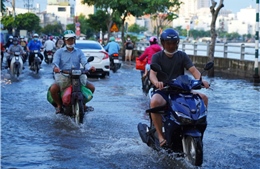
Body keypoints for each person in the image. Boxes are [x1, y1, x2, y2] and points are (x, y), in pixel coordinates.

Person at [149, 28, 210, 147]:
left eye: (174, 43)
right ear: (163, 43)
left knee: (203, 98)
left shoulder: (182, 55)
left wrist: (201, 81)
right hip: (164, 89)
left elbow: (193, 70)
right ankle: (161, 136)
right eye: (168, 43)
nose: (171, 46)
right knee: (155, 102)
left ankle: (197, 128)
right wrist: (157, 82)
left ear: (177, 43)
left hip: (181, 88)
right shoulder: (157, 56)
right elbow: (152, 74)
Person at [49, 30, 96, 113]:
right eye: (68, 39)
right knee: (53, 89)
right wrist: (56, 68)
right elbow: (55, 63)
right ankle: (59, 106)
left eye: (72, 39)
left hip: (77, 76)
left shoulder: (79, 51)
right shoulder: (59, 52)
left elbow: (85, 62)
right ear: (64, 40)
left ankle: (83, 104)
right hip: (63, 76)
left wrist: (89, 68)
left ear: (75, 40)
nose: (70, 41)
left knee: (92, 87)